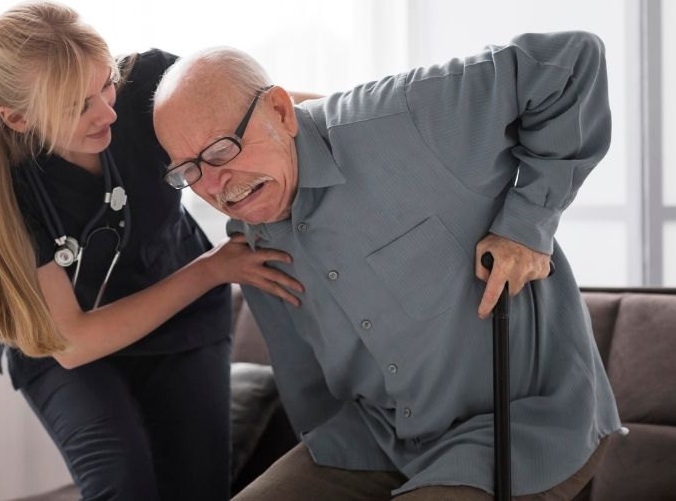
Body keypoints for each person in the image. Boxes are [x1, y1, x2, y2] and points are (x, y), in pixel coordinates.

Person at [151, 33, 623, 500]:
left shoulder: (405, 117)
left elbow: (569, 63)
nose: (214, 185)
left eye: (221, 151)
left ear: (279, 110)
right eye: (189, 170)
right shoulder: (249, 241)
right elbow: (305, 381)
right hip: (374, 439)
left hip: (524, 427)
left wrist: (527, 226)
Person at [0, 0, 303, 501]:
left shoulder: (148, 86)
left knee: (197, 489)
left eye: (105, 83)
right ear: (18, 119)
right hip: (66, 344)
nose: (108, 111)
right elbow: (73, 342)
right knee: (122, 482)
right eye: (77, 106)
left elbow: (262, 112)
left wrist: (365, 117)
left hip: (182, 326)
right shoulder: (1, 186)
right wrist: (211, 270)